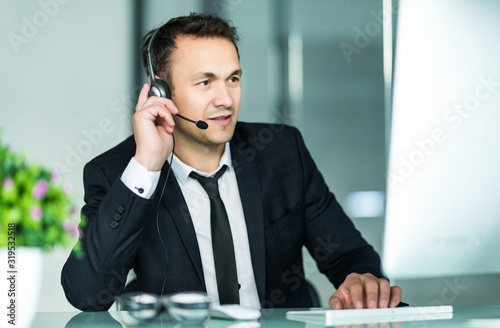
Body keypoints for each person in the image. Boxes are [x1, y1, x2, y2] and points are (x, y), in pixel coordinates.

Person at [61, 13, 402, 312]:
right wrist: (147, 164)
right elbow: (87, 294)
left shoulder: (282, 151)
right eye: (205, 82)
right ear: (159, 94)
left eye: (233, 79)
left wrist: (363, 280)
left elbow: (349, 255)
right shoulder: (117, 172)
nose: (225, 100)